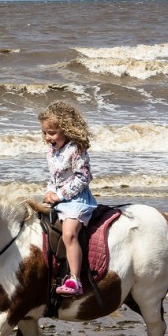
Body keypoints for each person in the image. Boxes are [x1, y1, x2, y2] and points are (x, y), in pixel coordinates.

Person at [39, 100, 97, 297]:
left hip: (76, 200)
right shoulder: (52, 151)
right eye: (45, 133)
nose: (48, 137)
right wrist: (49, 192)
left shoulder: (76, 149)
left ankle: (75, 279)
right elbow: (53, 178)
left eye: (52, 133)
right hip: (58, 198)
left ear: (67, 129)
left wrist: (60, 195)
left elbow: (83, 178)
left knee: (69, 234)